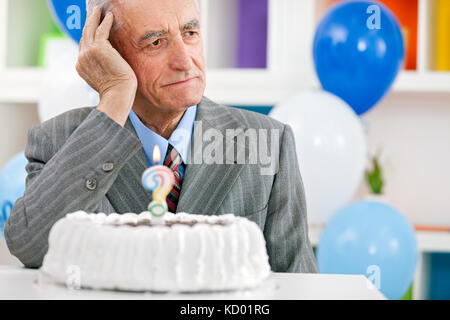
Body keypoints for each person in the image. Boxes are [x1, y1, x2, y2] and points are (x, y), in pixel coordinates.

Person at [5, 0, 317, 273]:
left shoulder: (267, 142)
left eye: (190, 33)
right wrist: (114, 97)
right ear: (107, 52)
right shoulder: (58, 140)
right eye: (156, 42)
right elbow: (31, 246)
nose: (185, 62)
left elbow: (295, 287)